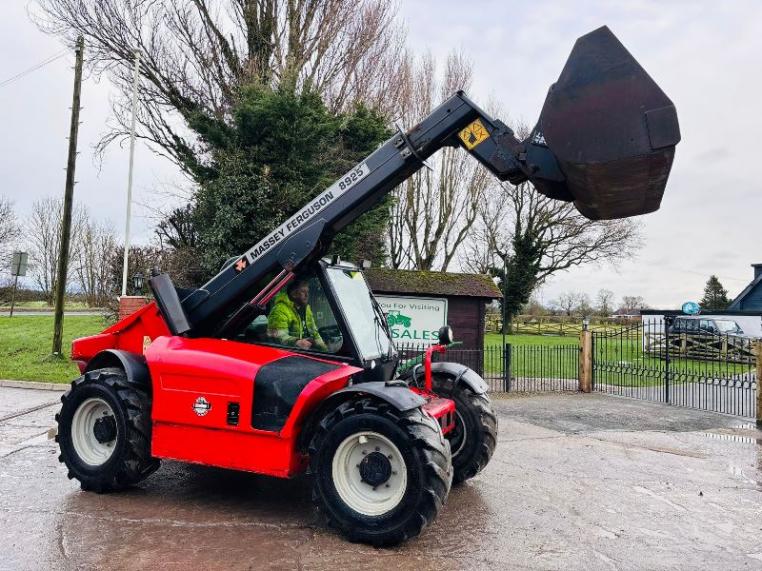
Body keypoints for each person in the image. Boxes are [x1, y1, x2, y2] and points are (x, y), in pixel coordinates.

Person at [267, 278, 327, 351]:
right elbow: (276, 336)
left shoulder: (306, 309)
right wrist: (296, 342)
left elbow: (315, 333)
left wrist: (325, 349)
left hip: (308, 351)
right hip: (290, 354)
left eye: (307, 291)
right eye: (303, 291)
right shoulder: (279, 310)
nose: (307, 295)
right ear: (294, 294)